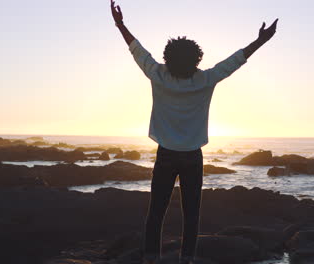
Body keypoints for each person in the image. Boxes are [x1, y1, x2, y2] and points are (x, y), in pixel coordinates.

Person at [110, 1, 278, 263]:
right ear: (197, 58)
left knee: (156, 211)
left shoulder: (158, 75)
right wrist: (262, 40)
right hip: (192, 156)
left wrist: (120, 24)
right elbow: (235, 61)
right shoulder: (205, 80)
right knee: (192, 214)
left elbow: (137, 51)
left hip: (166, 154)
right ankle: (187, 259)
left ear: (167, 58)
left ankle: (151, 259)